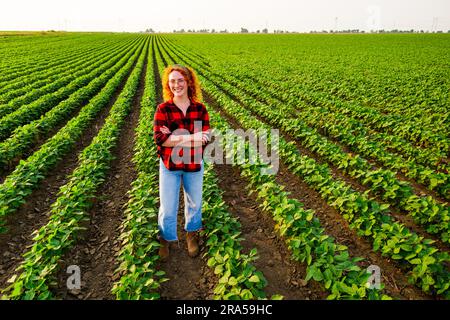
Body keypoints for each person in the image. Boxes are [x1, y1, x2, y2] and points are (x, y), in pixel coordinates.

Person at [153, 64, 211, 261]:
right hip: (169, 165)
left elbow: (205, 137)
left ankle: (191, 234)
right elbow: (161, 140)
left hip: (194, 164)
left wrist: (176, 137)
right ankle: (165, 239)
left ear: (188, 82)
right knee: (168, 207)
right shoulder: (163, 109)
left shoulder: (200, 109)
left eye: (180, 80)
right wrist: (191, 137)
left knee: (194, 203)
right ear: (168, 85)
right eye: (172, 81)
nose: (176, 84)